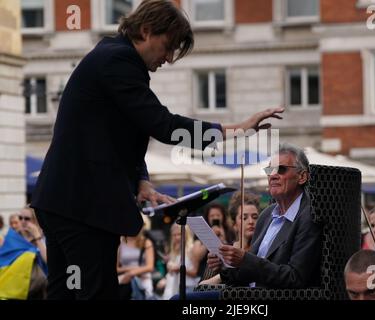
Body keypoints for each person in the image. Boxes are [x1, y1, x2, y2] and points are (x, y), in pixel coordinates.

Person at [30, 0, 283, 299]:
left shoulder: (110, 56)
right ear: (147, 30)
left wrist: (143, 180)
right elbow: (163, 126)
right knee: (94, 293)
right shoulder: (119, 62)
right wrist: (237, 129)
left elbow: (128, 130)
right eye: (168, 46)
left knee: (67, 290)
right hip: (83, 207)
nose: (169, 57)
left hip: (62, 202)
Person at [208, 143, 322, 289]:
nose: (273, 175)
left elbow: (295, 277)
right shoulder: (266, 215)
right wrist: (224, 266)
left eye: (281, 169)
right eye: (270, 169)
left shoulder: (310, 216)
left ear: (302, 176)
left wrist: (245, 259)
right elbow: (249, 271)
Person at [199, 190, 260, 285]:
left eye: (255, 217)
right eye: (244, 218)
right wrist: (213, 269)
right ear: (234, 224)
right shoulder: (224, 250)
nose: (251, 221)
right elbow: (202, 286)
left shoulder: (264, 248)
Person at [117, 225, 155, 300]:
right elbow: (116, 268)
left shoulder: (146, 242)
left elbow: (150, 266)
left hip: (142, 279)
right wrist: (130, 270)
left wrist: (132, 273)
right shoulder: (120, 243)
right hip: (124, 278)